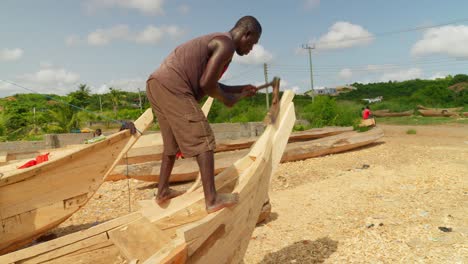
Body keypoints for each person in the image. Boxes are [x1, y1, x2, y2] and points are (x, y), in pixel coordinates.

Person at [146, 16, 261, 213]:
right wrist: (227, 99)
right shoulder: (226, 45)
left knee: (171, 145)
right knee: (204, 139)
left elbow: (210, 81)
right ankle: (212, 200)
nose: (252, 49)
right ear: (246, 34)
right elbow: (207, 85)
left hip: (156, 84)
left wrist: (239, 89)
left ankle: (162, 191)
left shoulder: (219, 42)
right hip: (174, 85)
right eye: (253, 43)